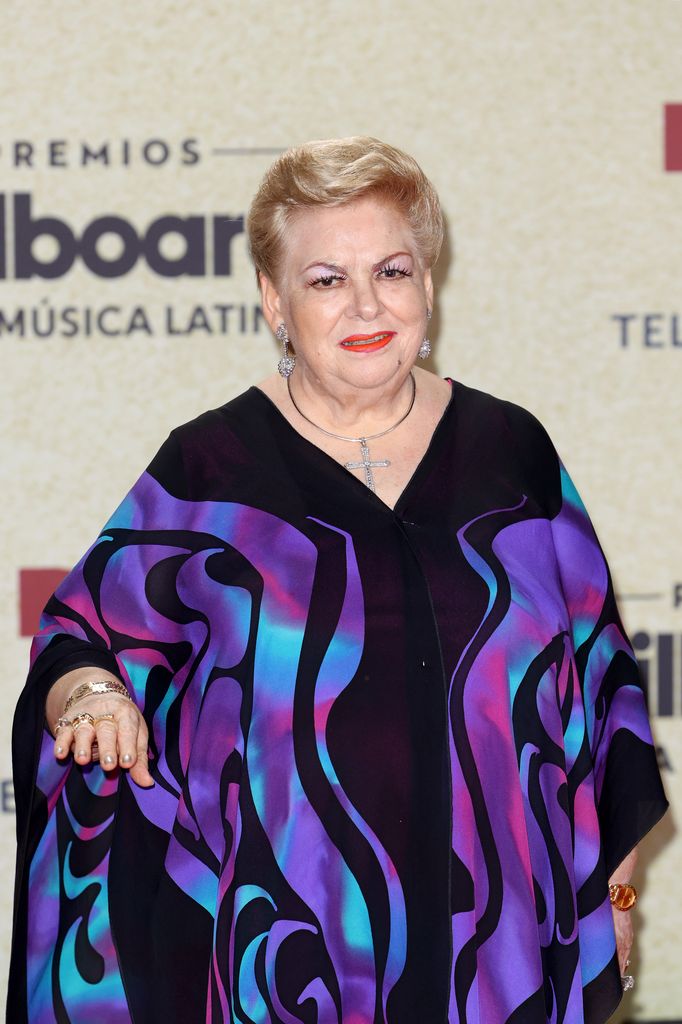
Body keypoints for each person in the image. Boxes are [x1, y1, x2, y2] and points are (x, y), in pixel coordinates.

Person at [9, 137, 667, 1024]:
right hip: (287, 969)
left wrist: (612, 903)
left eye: (392, 270)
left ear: (428, 285)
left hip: (498, 961)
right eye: (326, 279)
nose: (366, 303)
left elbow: (602, 694)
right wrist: (92, 698)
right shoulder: (211, 467)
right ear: (275, 302)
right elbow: (82, 640)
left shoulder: (513, 455)